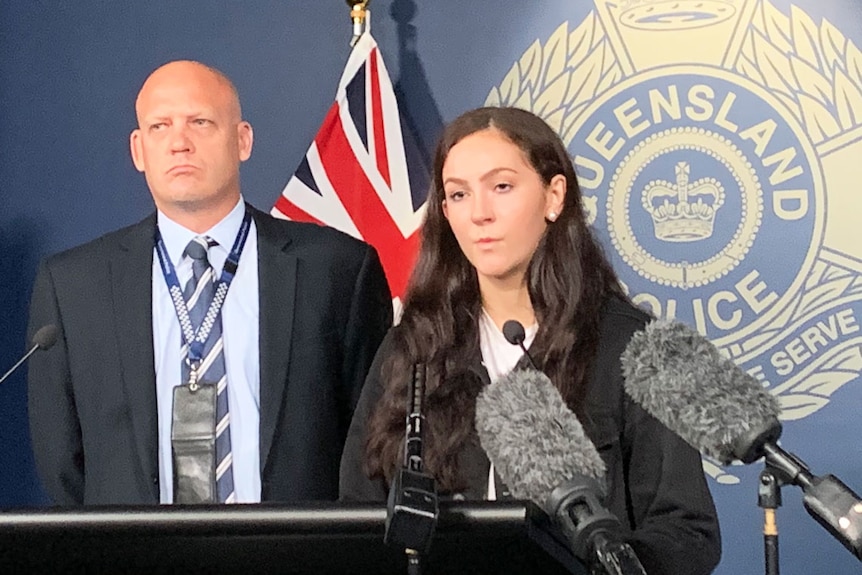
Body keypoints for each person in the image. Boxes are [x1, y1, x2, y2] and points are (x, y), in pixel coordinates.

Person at [339, 107, 721, 574]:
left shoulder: (634, 346)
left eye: (501, 187)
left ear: (553, 196)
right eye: (458, 194)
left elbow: (685, 532)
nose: (479, 213)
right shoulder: (412, 350)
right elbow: (357, 515)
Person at [27, 60, 392, 505]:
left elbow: (372, 444)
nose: (179, 142)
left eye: (200, 122)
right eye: (160, 126)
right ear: (138, 151)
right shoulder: (73, 287)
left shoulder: (336, 269)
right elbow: (63, 463)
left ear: (243, 140)